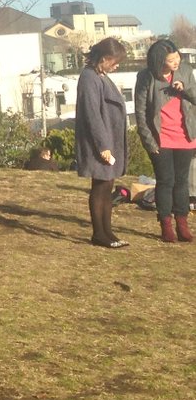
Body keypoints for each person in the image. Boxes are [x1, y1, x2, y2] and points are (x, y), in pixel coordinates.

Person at [134, 38, 196, 243]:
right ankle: (165, 223)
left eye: (177, 57)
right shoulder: (146, 77)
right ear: (160, 61)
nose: (176, 62)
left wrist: (184, 89)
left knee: (182, 182)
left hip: (185, 136)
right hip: (160, 139)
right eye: (171, 60)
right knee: (165, 181)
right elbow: (141, 113)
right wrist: (149, 142)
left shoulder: (186, 71)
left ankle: (182, 222)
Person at [74, 37, 129, 249]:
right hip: (99, 143)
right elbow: (92, 114)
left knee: (108, 186)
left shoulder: (99, 75)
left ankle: (108, 231)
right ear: (105, 58)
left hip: (108, 140)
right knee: (100, 187)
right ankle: (99, 233)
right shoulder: (89, 77)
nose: (116, 66)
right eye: (115, 62)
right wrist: (103, 145)